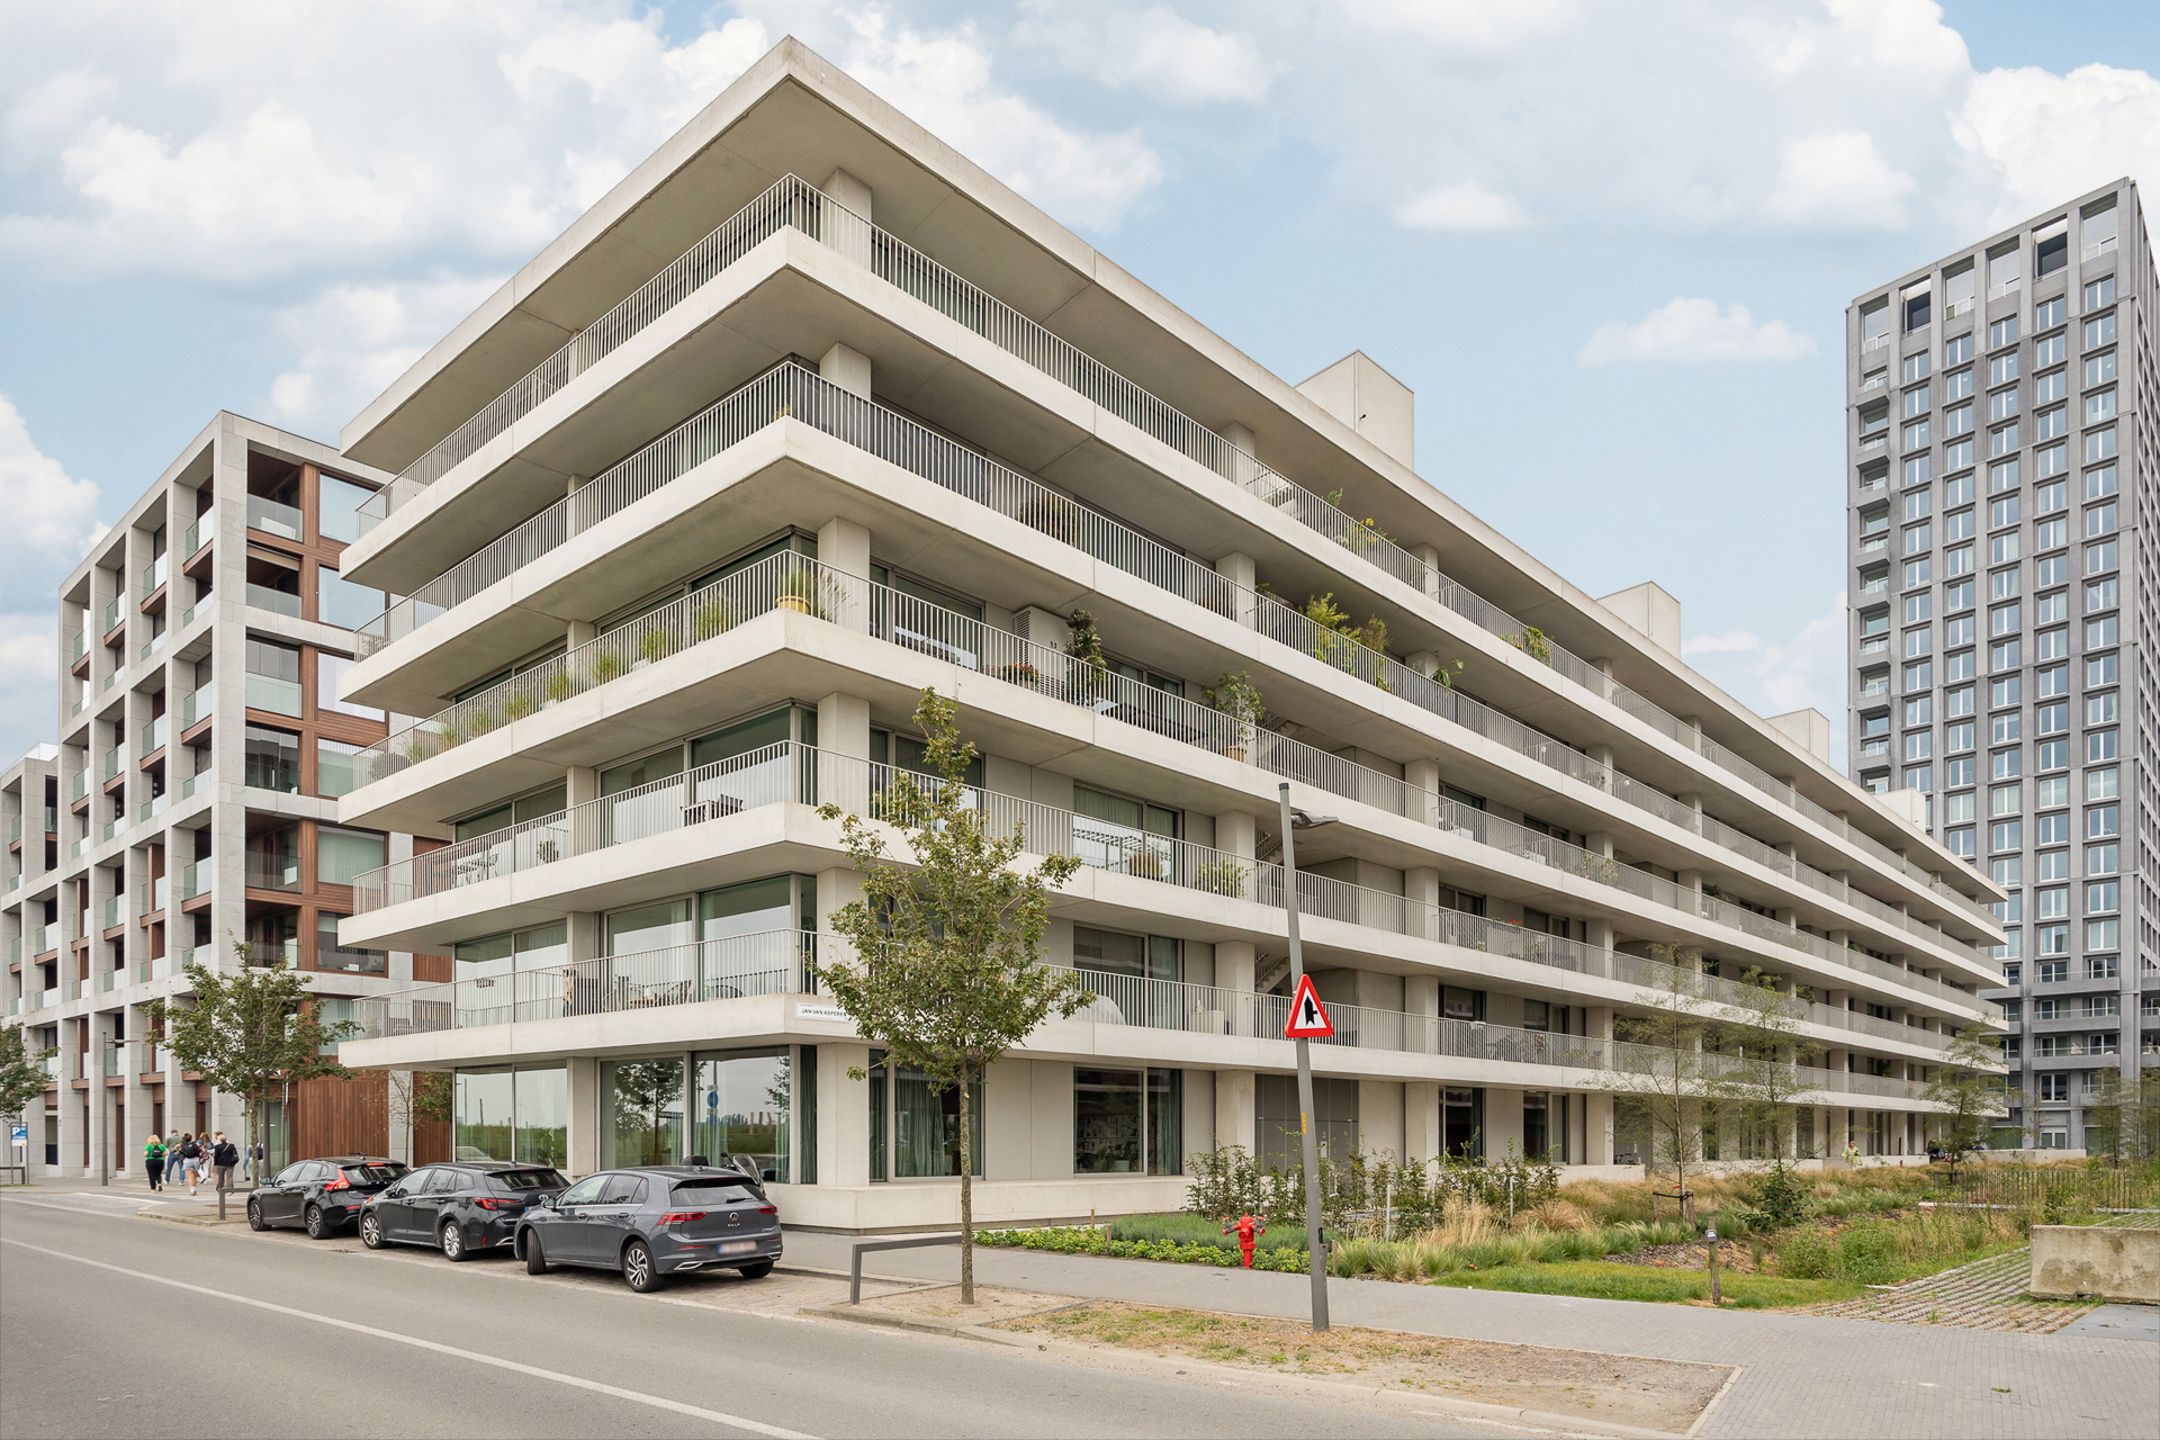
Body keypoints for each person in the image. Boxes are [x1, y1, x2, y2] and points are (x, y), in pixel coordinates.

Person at [176, 1131, 204, 1195]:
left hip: (187, 1160)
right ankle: (195, 1187)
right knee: (195, 1175)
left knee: (190, 1175)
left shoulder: (183, 1145)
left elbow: (181, 1153)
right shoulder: (195, 1144)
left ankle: (192, 1190)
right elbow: (199, 1151)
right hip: (196, 1160)